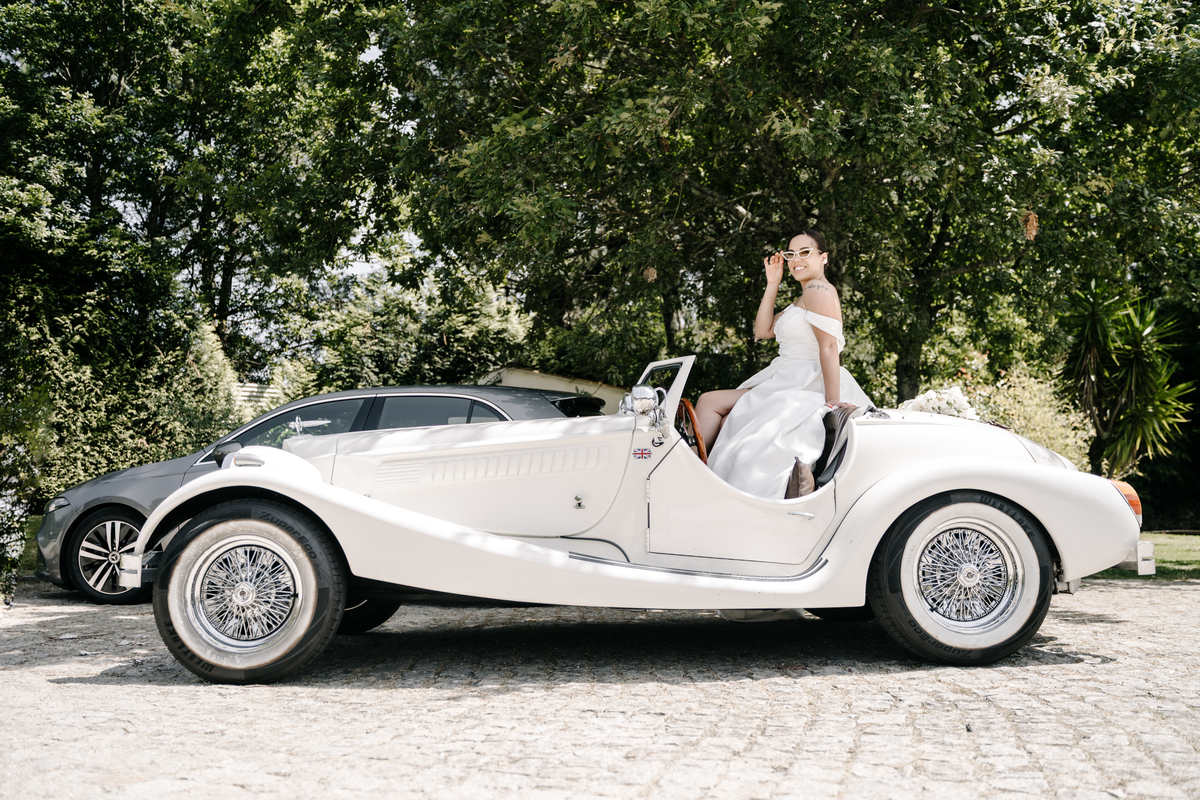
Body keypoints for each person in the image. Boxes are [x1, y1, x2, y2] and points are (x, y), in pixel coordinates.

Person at [696, 230, 872, 498]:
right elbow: (763, 330)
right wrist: (772, 283)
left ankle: (690, 470)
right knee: (711, 403)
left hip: (804, 379)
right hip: (784, 376)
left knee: (712, 404)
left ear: (824, 257)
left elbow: (828, 346)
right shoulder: (804, 296)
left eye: (805, 252)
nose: (796, 259)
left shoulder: (817, 290)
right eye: (791, 254)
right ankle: (694, 468)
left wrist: (832, 400)